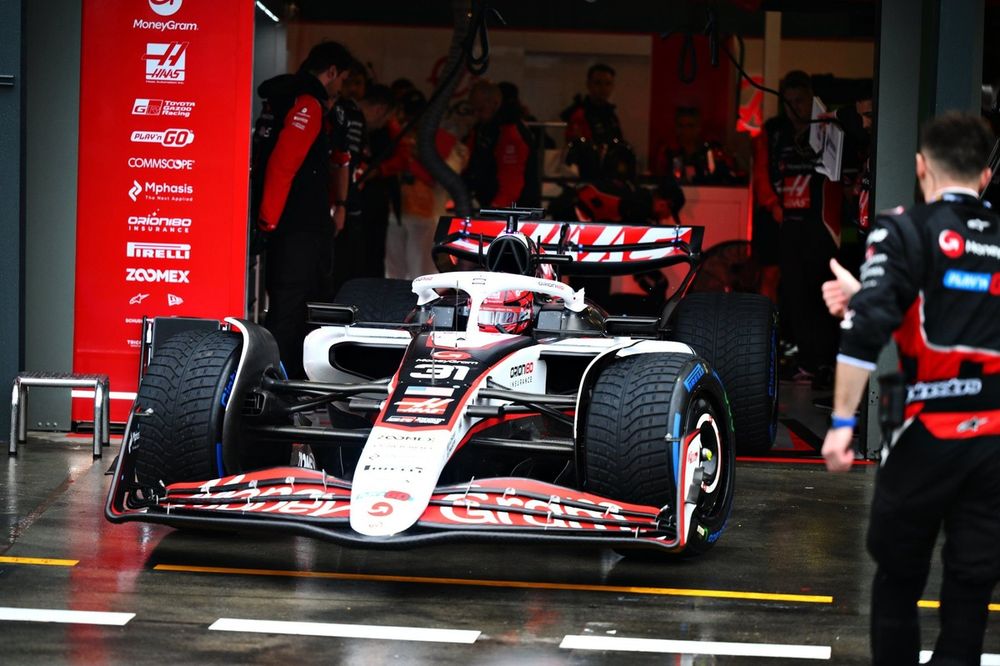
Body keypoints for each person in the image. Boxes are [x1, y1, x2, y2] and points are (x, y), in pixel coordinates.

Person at [821, 112, 999, 665]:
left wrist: (843, 425)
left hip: (926, 436)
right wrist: (867, 297)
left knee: (898, 577)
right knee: (971, 588)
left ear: (921, 168)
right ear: (986, 178)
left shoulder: (902, 230)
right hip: (995, 442)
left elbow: (864, 331)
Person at [256, 41, 353, 379]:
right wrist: (267, 221)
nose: (341, 88)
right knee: (291, 307)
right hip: (297, 226)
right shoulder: (309, 104)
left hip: (289, 224)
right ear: (330, 73)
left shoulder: (285, 97)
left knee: (291, 304)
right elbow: (282, 165)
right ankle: (279, 381)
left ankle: (289, 377)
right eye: (341, 79)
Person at [753, 70, 841, 389]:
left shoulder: (829, 132)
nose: (794, 109)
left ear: (812, 100)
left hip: (820, 228)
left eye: (800, 101)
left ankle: (828, 362)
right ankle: (806, 362)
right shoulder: (778, 136)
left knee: (823, 296)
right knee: (795, 296)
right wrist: (776, 207)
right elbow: (772, 177)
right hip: (788, 225)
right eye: (788, 103)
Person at [383, 90, 466, 279]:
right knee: (393, 271)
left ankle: (422, 306)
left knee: (420, 272)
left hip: (426, 214)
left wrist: (410, 160)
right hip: (395, 212)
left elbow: (443, 177)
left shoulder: (445, 142)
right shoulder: (397, 137)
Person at [464, 80, 539, 208]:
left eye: (481, 109)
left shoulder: (509, 132)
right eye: (473, 110)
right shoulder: (482, 128)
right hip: (491, 204)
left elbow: (511, 181)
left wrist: (496, 209)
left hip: (513, 211)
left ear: (495, 103)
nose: (476, 115)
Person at [657, 106, 736, 185]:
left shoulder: (709, 152)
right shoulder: (668, 152)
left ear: (698, 127)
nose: (685, 130)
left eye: (690, 126)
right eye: (681, 126)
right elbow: (661, 178)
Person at [560, 63, 624, 146]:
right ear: (589, 84)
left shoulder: (610, 114)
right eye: (598, 83)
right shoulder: (580, 114)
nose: (603, 88)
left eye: (608, 84)